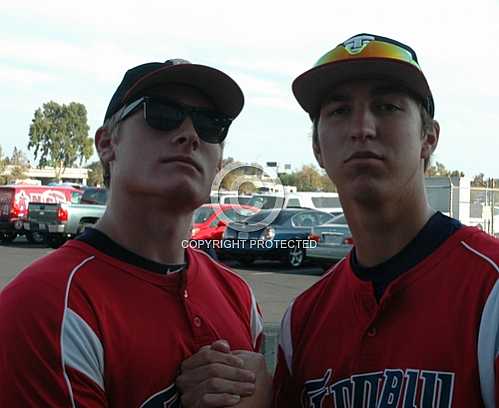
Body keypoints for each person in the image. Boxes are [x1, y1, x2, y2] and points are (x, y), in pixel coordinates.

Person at [176, 33, 499, 408]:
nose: (362, 127)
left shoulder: (488, 288)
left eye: (387, 107)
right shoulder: (304, 319)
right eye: (339, 111)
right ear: (317, 148)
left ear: (429, 137)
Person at [0, 58, 270, 407]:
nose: (189, 135)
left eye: (211, 125)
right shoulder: (46, 306)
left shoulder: (240, 298)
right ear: (107, 143)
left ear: (218, 164)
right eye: (161, 114)